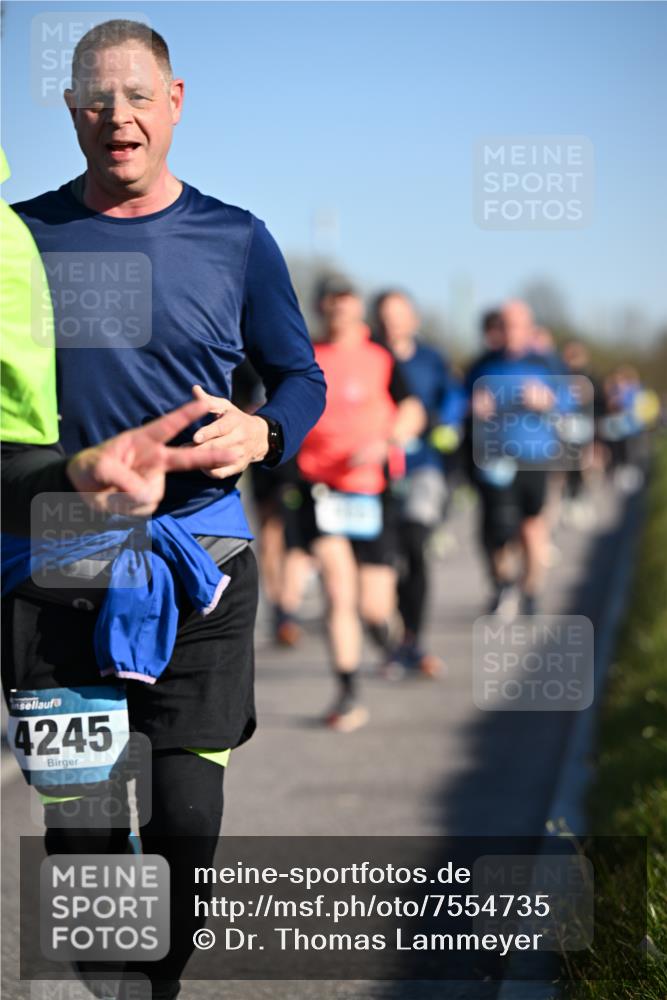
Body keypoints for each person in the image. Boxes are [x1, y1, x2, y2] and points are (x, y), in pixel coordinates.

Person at [4, 19, 325, 1000]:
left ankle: (158, 985)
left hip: (202, 557)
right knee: (85, 829)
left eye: (137, 96)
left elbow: (297, 375)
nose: (118, 118)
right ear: (69, 110)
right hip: (54, 559)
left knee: (186, 821)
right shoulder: (20, 241)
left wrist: (266, 433)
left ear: (174, 101)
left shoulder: (236, 238)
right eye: (96, 99)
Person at [289, 275, 425, 730]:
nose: (340, 310)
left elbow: (412, 410)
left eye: (347, 303)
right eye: (331, 303)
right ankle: (347, 693)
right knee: (336, 591)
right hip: (320, 488)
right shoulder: (305, 355)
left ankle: (387, 636)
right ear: (322, 308)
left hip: (372, 490)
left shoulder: (380, 356)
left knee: (373, 605)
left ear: (357, 308)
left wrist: (388, 441)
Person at [464, 300, 563, 617]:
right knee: (495, 530)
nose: (510, 332)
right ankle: (502, 584)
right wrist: (471, 406)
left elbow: (572, 400)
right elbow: (456, 401)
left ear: (529, 328)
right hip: (493, 458)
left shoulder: (546, 363)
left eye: (517, 325)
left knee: (532, 528)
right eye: (504, 325)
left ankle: (531, 590)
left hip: (534, 456)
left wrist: (548, 401)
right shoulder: (481, 365)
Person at [374, 289, 452, 677]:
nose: (391, 323)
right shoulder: (370, 356)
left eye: (398, 315)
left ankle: (415, 641)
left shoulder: (431, 359)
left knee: (416, 546)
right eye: (384, 315)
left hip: (422, 467)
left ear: (413, 319)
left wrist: (444, 422)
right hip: (374, 472)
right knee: (384, 561)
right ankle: (392, 641)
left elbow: (451, 400)